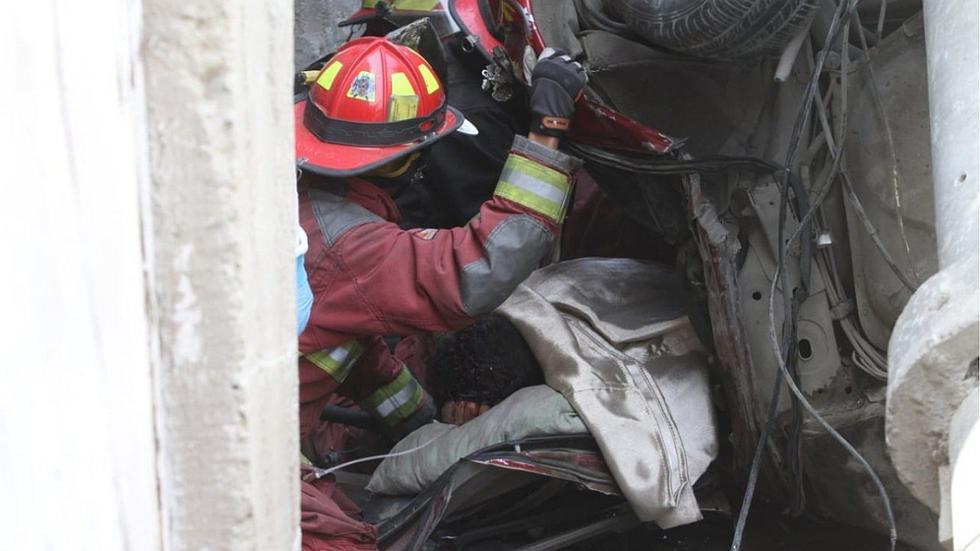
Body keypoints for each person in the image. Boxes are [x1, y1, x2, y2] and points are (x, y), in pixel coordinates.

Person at [293, 35, 587, 550]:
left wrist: (424, 425)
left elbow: (352, 354)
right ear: (404, 160)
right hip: (241, 445)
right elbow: (476, 268)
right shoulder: (351, 246)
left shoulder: (298, 201)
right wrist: (548, 130)